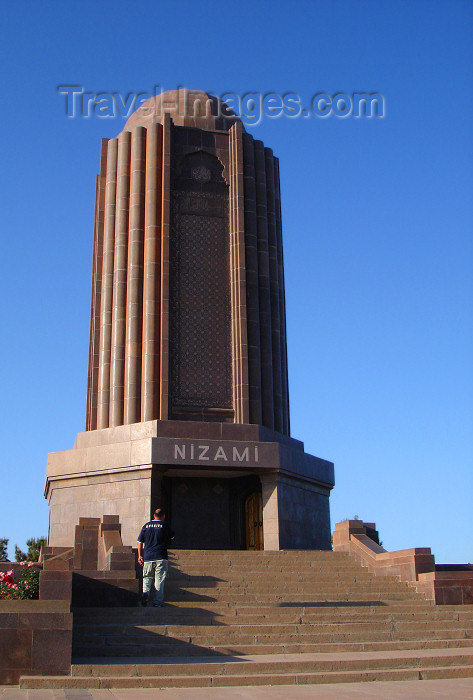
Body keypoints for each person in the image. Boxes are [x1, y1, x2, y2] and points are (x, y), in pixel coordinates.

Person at [137, 508, 175, 607]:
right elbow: (172, 536)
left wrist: (140, 555)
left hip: (148, 556)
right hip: (161, 556)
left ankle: (145, 593)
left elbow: (140, 542)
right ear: (163, 516)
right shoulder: (164, 525)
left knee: (147, 577)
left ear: (154, 516)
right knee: (159, 580)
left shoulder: (146, 526)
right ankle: (157, 602)